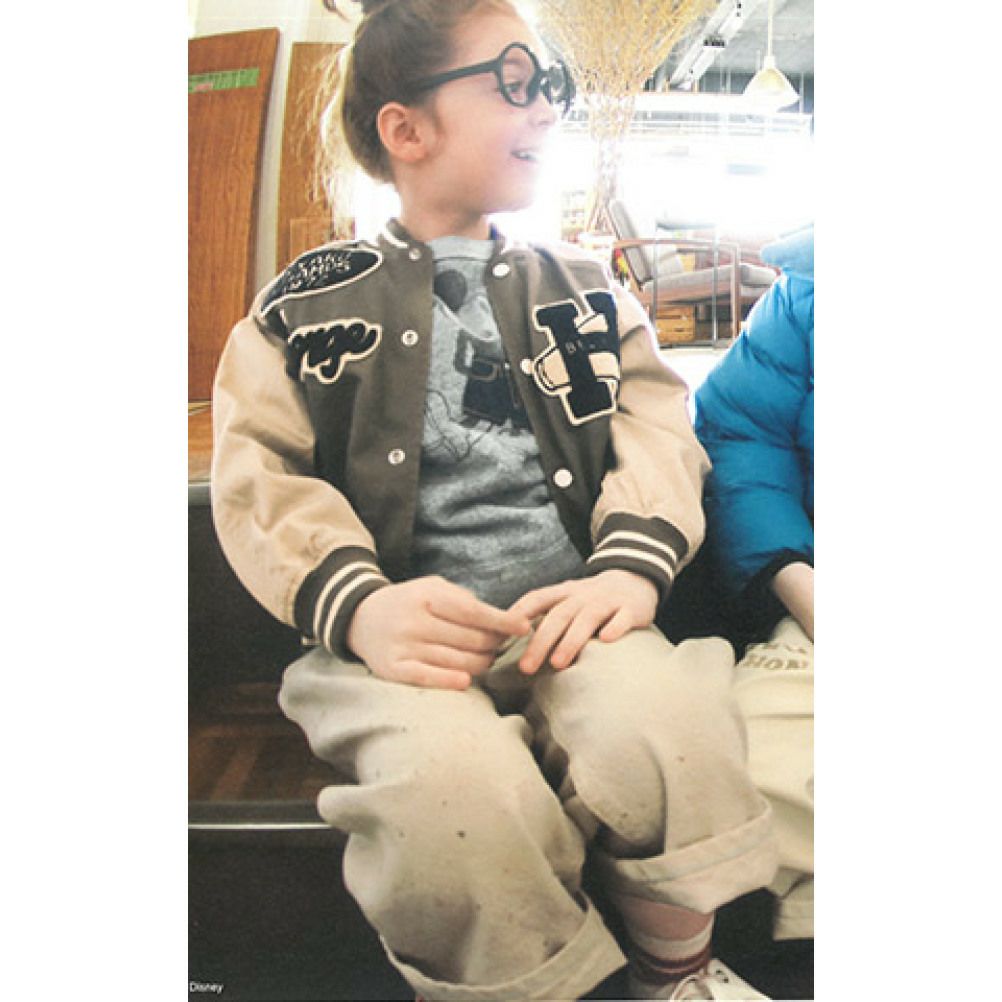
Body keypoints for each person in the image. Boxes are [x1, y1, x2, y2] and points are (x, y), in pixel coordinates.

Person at [211, 1, 778, 998]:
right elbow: (259, 473)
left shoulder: (589, 288)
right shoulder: (298, 309)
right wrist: (360, 604)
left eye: (549, 83)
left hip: (577, 619)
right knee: (452, 804)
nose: (548, 108)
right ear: (407, 129)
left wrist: (630, 565)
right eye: (516, 82)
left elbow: (657, 427)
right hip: (390, 651)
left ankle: (675, 973)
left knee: (671, 729)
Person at [693, 225, 814, 944]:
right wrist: (794, 578)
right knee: (731, 776)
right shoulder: (809, 294)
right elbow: (741, 434)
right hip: (817, 589)